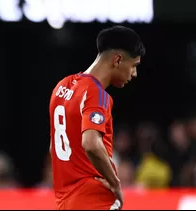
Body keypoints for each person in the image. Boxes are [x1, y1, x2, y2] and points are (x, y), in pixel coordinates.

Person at [49, 25, 145, 210]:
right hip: (93, 198)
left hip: (64, 201)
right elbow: (91, 143)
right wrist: (115, 183)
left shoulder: (62, 87)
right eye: (134, 65)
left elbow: (54, 148)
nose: (134, 74)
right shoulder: (97, 94)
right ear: (117, 60)